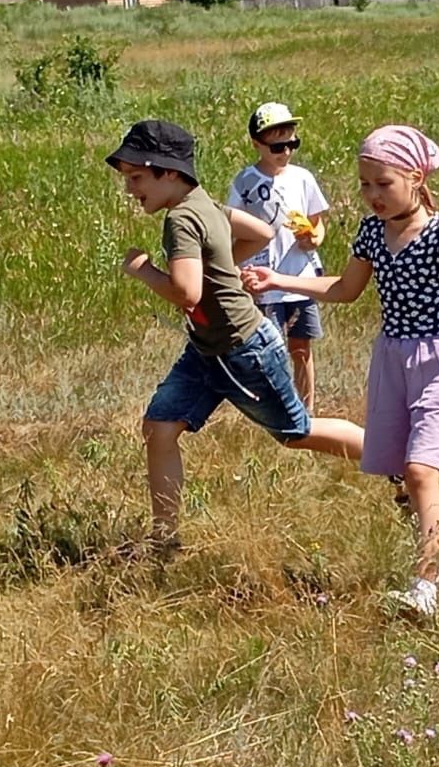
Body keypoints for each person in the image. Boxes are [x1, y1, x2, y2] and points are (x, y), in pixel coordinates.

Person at [243, 125, 439, 619]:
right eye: (364, 185)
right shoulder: (370, 233)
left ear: (416, 176)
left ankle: (423, 590)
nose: (372, 195)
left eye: (383, 183)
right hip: (391, 359)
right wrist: (278, 278)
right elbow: (344, 289)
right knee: (402, 474)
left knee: (423, 471)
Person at [109, 118, 363, 548]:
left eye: (137, 177)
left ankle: (394, 458)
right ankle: (164, 538)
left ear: (168, 172)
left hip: (244, 350)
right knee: (159, 426)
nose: (131, 188)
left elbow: (187, 292)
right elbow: (260, 231)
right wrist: (223, 265)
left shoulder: (182, 222)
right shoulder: (204, 204)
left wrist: (144, 270)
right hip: (208, 350)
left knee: (295, 432)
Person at [227, 101, 332, 410]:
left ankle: (307, 408)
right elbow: (232, 221)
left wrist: (314, 237)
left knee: (301, 346)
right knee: (268, 346)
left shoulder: (302, 178)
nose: (285, 152)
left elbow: (318, 221)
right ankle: (275, 407)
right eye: (277, 146)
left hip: (300, 277)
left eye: (291, 144)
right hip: (262, 277)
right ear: (257, 144)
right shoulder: (245, 181)